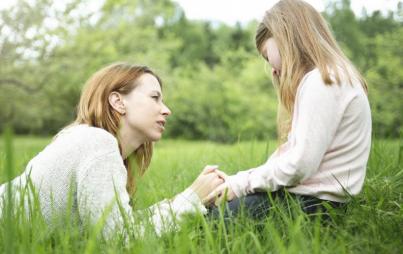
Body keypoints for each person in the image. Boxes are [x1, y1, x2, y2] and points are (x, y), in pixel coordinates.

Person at [0, 62, 224, 237]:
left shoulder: (92, 141)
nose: (166, 110)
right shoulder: (97, 143)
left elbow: (120, 224)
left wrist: (179, 201)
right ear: (118, 102)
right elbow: (121, 240)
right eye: (155, 97)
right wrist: (190, 199)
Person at [208, 0, 372, 219]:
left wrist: (241, 184)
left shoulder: (322, 80)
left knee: (215, 218)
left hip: (312, 203)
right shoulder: (331, 76)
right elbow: (292, 155)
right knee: (218, 208)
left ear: (286, 37)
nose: (273, 69)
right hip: (320, 202)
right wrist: (242, 179)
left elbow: (299, 165)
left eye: (268, 55)